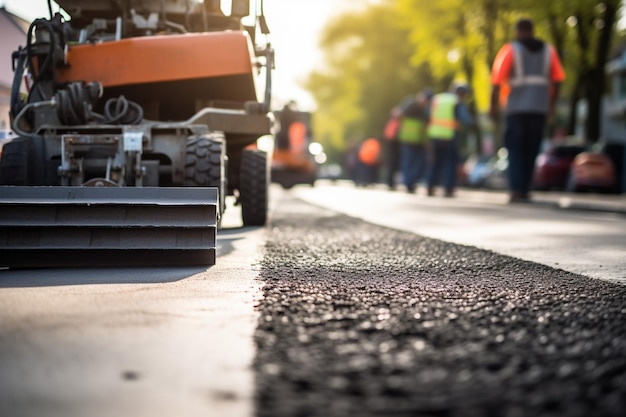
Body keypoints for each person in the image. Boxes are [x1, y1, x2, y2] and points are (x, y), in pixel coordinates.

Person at [489, 18, 565, 203]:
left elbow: (497, 81)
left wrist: (493, 107)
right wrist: (551, 105)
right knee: (532, 149)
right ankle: (525, 189)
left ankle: (516, 188)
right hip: (539, 108)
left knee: (515, 149)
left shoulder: (510, 49)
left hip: (516, 108)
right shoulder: (549, 51)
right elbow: (557, 79)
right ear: (533, 30)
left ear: (517, 31)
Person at [425, 84, 474, 197]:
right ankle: (448, 188)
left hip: (435, 135)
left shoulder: (437, 99)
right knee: (450, 163)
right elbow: (466, 119)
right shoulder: (457, 102)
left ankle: (430, 186)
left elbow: (428, 113)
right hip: (449, 136)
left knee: (435, 162)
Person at [397, 90, 433, 193]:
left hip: (420, 140)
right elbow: (399, 115)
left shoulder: (426, 110)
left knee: (419, 163)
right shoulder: (411, 104)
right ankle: (408, 183)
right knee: (409, 162)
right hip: (408, 139)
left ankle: (411, 182)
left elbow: (426, 126)